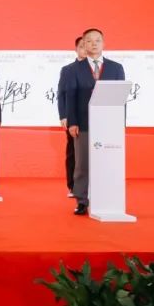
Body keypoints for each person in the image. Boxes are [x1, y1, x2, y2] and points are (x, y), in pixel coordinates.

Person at [64, 27, 126, 215]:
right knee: (82, 164)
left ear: (103, 43)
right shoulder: (72, 69)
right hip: (83, 123)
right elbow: (70, 97)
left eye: (97, 40)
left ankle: (108, 197)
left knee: (108, 162)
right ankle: (82, 200)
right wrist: (72, 122)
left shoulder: (116, 68)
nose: (94, 44)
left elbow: (121, 98)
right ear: (83, 44)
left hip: (109, 124)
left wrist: (120, 123)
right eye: (89, 41)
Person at [57, 36, 87, 198]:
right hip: (73, 117)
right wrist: (64, 115)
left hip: (93, 117)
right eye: (81, 46)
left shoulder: (97, 69)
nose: (85, 49)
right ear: (76, 49)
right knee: (74, 152)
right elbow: (61, 94)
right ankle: (73, 186)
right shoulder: (68, 70)